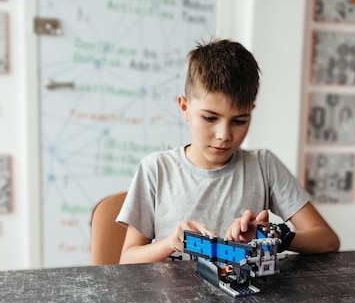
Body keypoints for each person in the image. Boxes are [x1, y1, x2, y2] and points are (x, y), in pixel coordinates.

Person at [116, 39, 340, 264]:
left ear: (251, 112)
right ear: (184, 107)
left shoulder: (263, 166)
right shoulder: (156, 169)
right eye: (210, 118)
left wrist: (274, 236)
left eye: (239, 121)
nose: (224, 135)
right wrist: (170, 243)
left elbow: (327, 240)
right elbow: (127, 259)